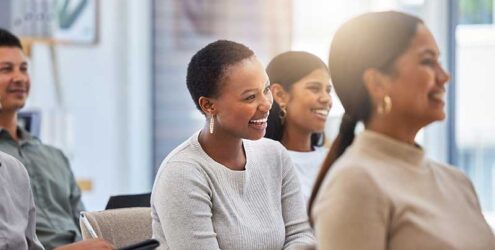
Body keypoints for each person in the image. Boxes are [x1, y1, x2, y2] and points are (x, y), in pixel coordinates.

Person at [308, 11, 495, 249]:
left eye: (439, 61)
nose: (444, 76)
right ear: (377, 83)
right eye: (428, 62)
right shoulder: (354, 183)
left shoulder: (457, 182)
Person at [151, 40, 315, 249]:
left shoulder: (275, 155)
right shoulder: (182, 174)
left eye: (265, 89)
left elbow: (303, 237)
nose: (266, 104)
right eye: (250, 97)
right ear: (209, 105)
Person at [0, 28, 114, 250]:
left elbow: (84, 224)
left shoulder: (54, 156)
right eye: (6, 69)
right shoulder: (5, 165)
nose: (19, 78)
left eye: (24, 68)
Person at [265, 51, 332, 201]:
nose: (326, 98)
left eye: (328, 90)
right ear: (280, 95)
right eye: (314, 88)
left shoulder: (334, 160)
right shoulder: (262, 165)